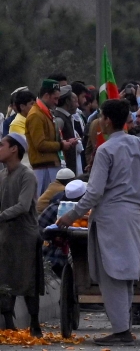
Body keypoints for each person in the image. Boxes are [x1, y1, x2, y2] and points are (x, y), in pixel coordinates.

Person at [56, 99, 140, 345]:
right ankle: (123, 327)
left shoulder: (106, 150)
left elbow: (94, 192)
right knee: (126, 272)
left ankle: (122, 331)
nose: (100, 120)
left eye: (101, 116)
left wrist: (70, 216)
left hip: (111, 216)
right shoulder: (138, 144)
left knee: (113, 274)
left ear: (107, 120)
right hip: (131, 213)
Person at [0, 133, 41, 336]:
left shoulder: (27, 175)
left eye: (2, 145)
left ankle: (35, 324)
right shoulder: (2, 175)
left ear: (14, 149)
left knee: (28, 281)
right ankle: (9, 324)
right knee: (5, 278)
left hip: (25, 235)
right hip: (6, 234)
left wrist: (1, 216)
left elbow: (24, 206)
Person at [26, 79, 77, 196]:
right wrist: (61, 145)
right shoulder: (36, 115)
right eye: (55, 98)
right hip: (43, 169)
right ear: (46, 95)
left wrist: (64, 142)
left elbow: (48, 140)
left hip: (50, 166)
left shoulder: (45, 113)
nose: (57, 102)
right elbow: (40, 144)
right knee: (44, 205)